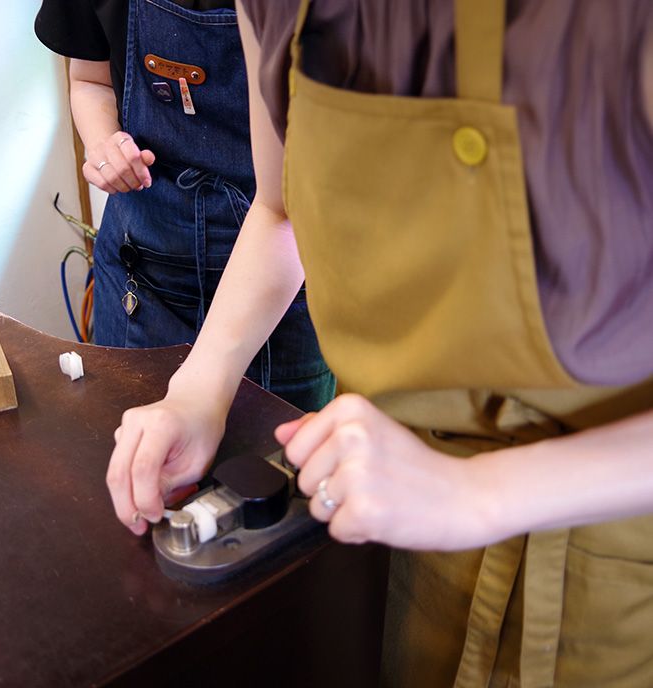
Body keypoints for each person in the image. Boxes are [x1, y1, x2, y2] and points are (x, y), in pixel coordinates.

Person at [105, 0, 653, 685]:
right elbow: (281, 209)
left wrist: (478, 493)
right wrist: (197, 390)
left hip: (617, 570)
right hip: (400, 541)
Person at [34, 0, 335, 412]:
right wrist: (105, 144)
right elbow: (90, 79)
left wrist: (196, 392)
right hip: (140, 268)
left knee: (271, 467)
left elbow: (285, 206)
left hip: (282, 288)